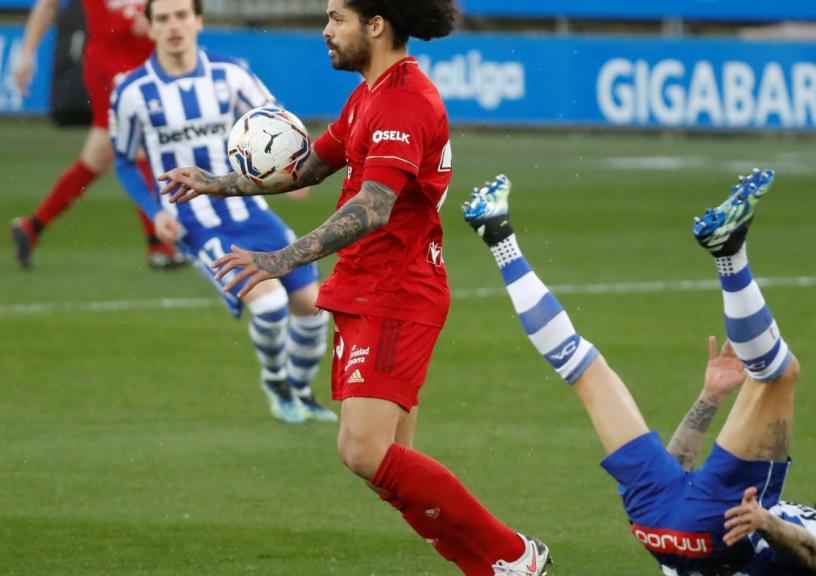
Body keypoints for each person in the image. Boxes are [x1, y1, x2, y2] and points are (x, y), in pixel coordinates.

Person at [158, 1, 550, 574]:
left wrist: (281, 258)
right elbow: (312, 167)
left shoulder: (404, 102)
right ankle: (493, 565)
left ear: (377, 25)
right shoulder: (372, 94)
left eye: (337, 17)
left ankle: (514, 556)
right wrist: (217, 185)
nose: (325, 31)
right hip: (366, 287)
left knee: (363, 452)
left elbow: (373, 207)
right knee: (391, 464)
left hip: (398, 290)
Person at [462, 170, 816, 575]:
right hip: (659, 520)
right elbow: (677, 477)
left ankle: (730, 254)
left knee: (780, 376)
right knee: (583, 368)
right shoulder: (772, 506)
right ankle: (500, 238)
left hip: (719, 532)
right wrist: (709, 398)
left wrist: (766, 522)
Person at [110, 0, 335, 424]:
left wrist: (297, 168)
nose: (174, 25)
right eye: (163, 18)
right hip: (195, 224)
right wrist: (153, 210)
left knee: (313, 304)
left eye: (181, 15)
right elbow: (123, 159)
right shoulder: (132, 92)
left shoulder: (230, 74)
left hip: (252, 210)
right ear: (150, 26)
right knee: (268, 305)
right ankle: (276, 384)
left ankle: (303, 392)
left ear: (198, 20)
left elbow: (275, 121)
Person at [9, 0, 185, 269]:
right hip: (110, 61)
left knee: (97, 156)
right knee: (140, 141)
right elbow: (47, 5)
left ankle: (31, 227)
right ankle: (158, 244)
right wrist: (27, 53)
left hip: (147, 59)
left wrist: (158, 11)